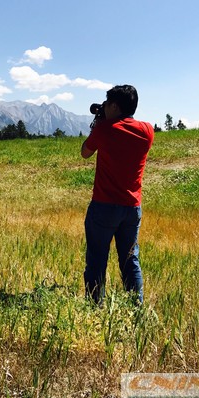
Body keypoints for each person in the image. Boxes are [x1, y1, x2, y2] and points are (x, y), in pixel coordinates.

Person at [80, 85, 154, 305]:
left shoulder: (104, 129)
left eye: (107, 104)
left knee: (97, 260)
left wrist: (99, 124)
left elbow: (85, 152)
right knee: (130, 260)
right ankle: (136, 307)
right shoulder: (147, 131)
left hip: (104, 206)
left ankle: (95, 307)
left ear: (114, 105)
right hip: (132, 207)